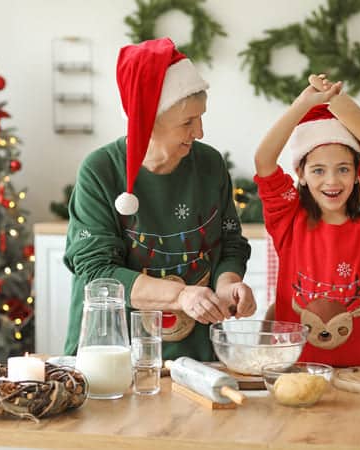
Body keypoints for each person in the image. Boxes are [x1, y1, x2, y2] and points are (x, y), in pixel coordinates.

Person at [64, 38, 256, 361]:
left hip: (196, 360)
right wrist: (181, 295)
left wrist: (228, 285)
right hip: (112, 357)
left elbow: (231, 242)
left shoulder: (210, 165)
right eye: (187, 122)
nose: (200, 132)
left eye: (200, 117)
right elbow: (98, 273)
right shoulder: (100, 172)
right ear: (148, 121)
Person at [254, 74, 360, 367]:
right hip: (293, 370)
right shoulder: (288, 220)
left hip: (359, 374)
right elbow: (264, 161)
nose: (332, 181)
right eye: (318, 170)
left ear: (357, 174)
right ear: (302, 176)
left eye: (343, 169)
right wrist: (300, 107)